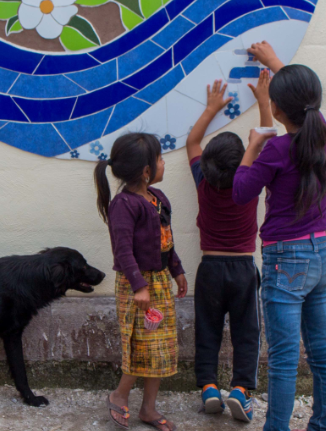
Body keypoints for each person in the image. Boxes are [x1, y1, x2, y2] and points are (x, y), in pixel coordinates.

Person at [233, 42, 326, 431]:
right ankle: (320, 426)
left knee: (282, 359)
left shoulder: (274, 149)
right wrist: (275, 63)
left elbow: (242, 191)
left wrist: (251, 147)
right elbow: (303, 99)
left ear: (277, 109)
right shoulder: (321, 134)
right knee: (323, 353)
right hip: (322, 255)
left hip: (285, 260)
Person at [183, 72, 273, 422]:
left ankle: (208, 386)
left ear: (208, 165)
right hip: (242, 269)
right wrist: (264, 102)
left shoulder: (203, 182)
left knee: (207, 328)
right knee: (246, 332)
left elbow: (192, 142)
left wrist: (211, 109)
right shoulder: (247, 184)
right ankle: (240, 390)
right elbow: (264, 139)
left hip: (209, 268)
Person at [95, 132, 190, 431]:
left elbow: (167, 243)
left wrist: (177, 270)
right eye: (161, 159)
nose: (164, 163)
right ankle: (120, 394)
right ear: (147, 170)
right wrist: (139, 285)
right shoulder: (123, 205)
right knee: (141, 346)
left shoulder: (158, 199)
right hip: (137, 287)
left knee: (159, 348)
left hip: (159, 282)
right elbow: (122, 250)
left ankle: (148, 409)